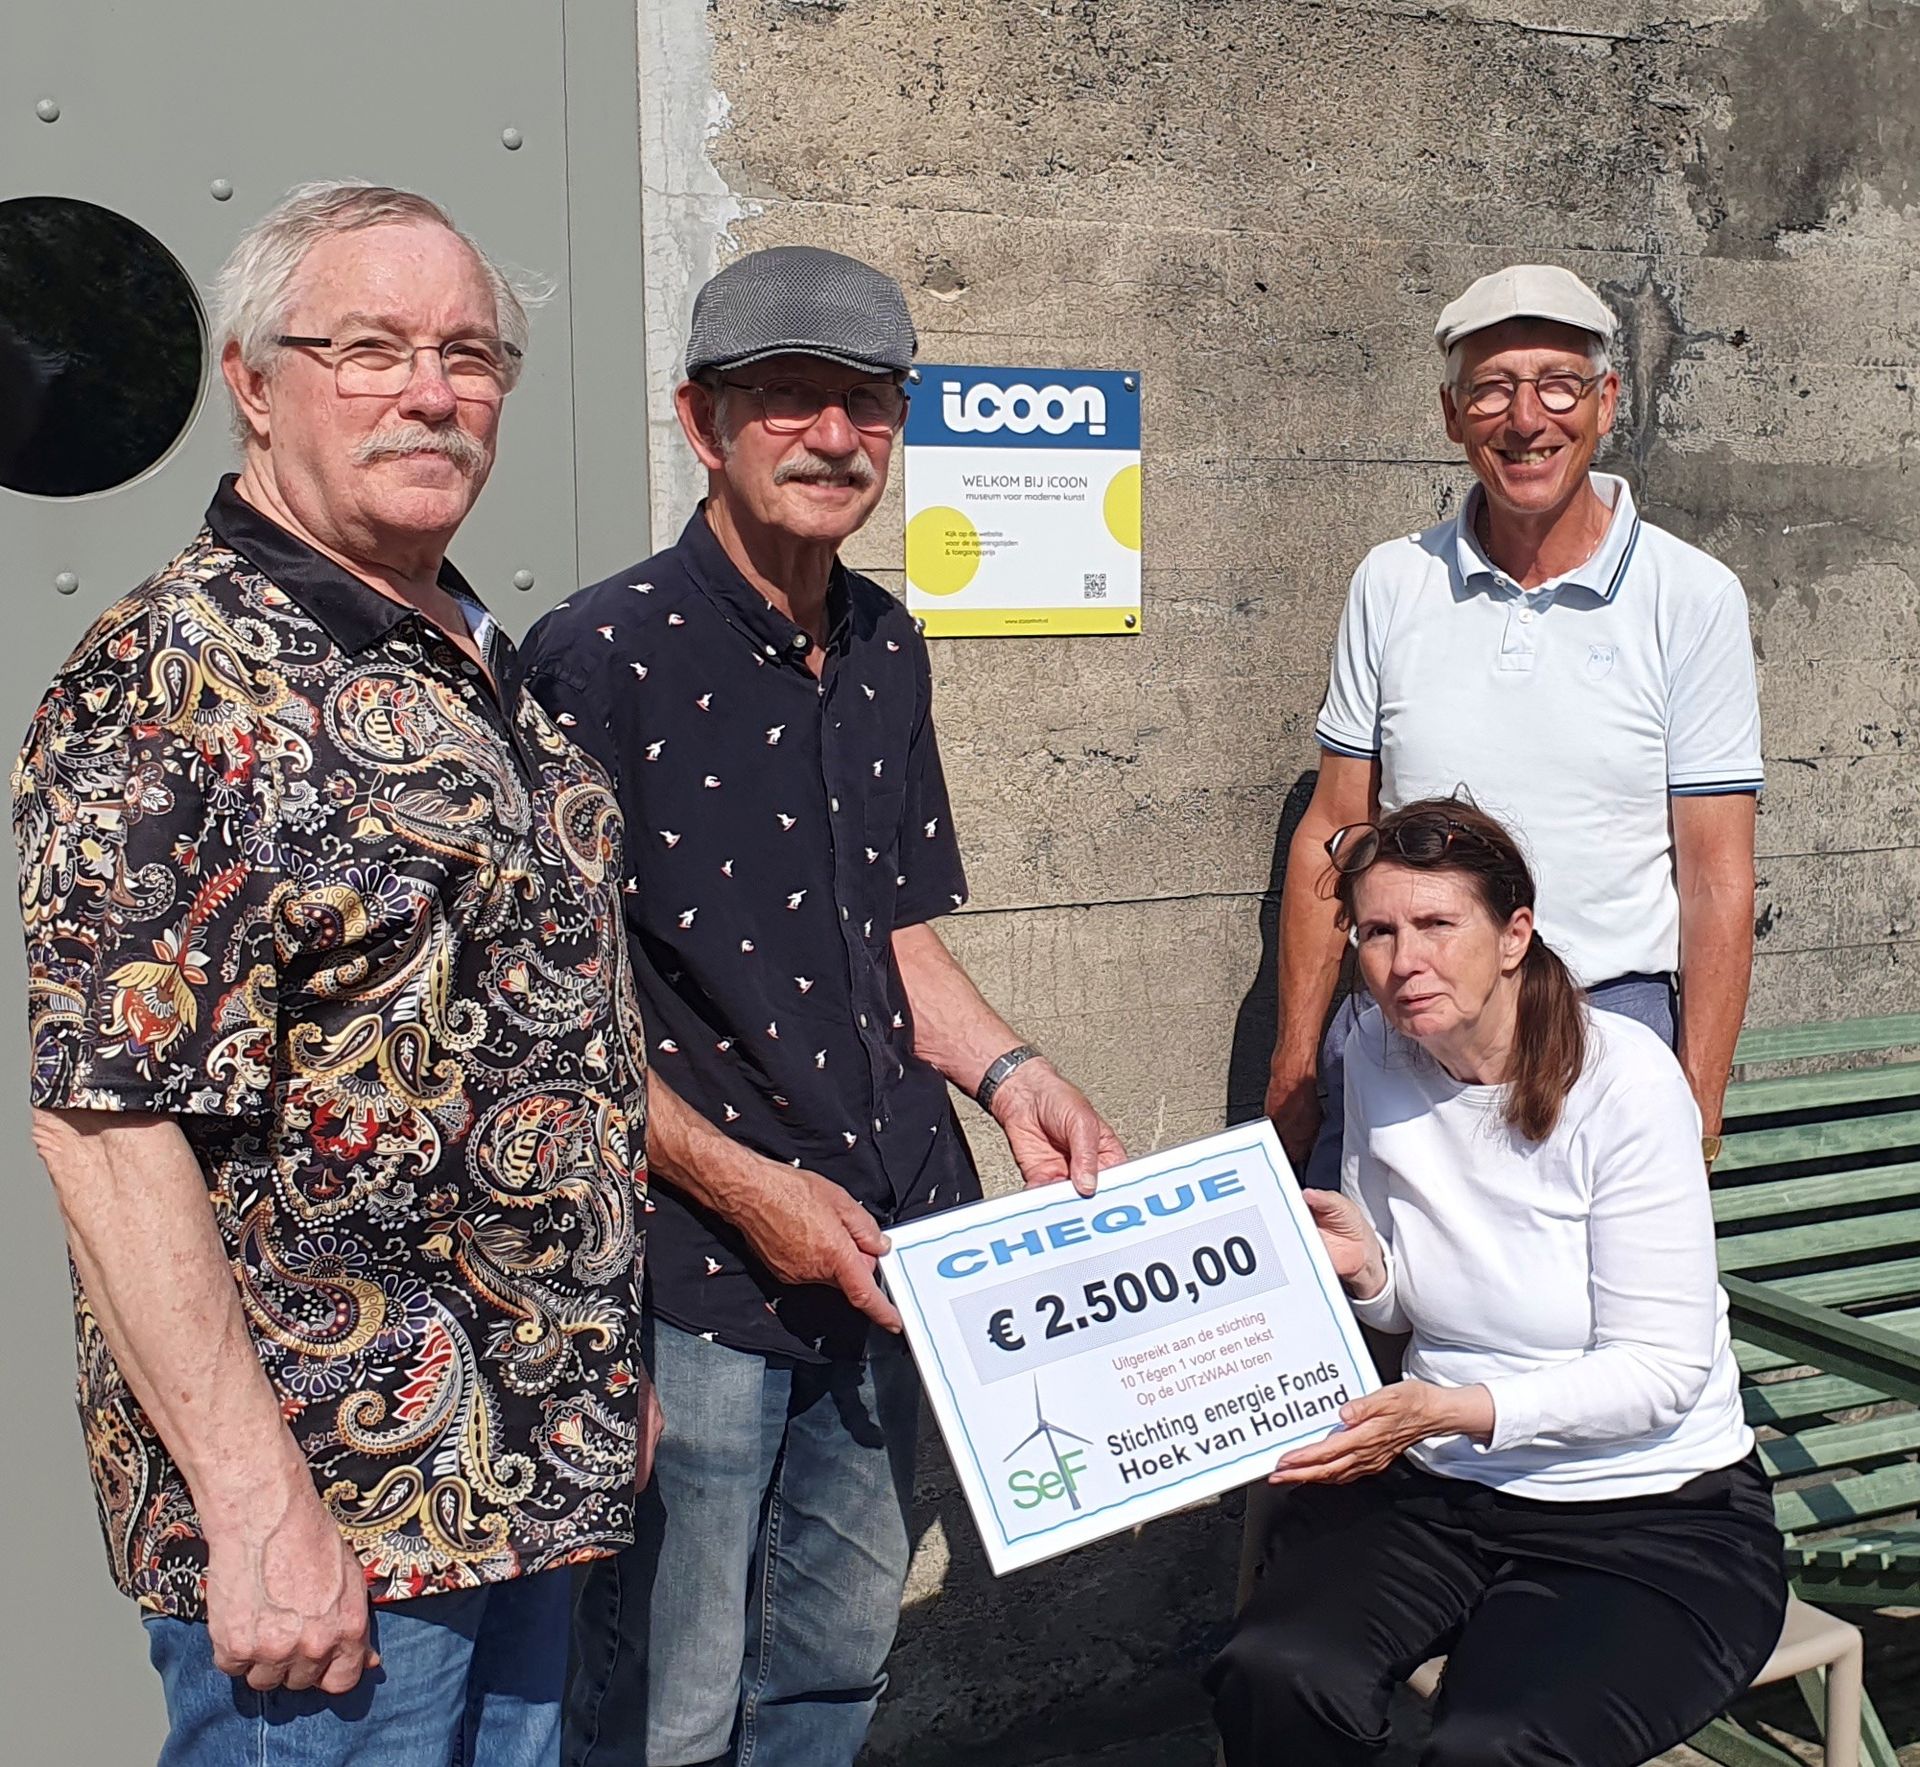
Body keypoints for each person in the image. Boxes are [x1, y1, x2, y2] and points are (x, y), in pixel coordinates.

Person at [14, 180, 656, 1765]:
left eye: (469, 353)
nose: (432, 391)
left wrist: (597, 1362)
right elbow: (104, 1118)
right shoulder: (180, 675)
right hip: (335, 1524)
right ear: (252, 377)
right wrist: (254, 1504)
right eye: (368, 347)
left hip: (528, 1474)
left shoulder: (466, 650)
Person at [521, 245, 1125, 1767]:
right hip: (698, 1273)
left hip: (898, 1248)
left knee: (834, 1674)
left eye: (864, 401)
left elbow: (893, 931)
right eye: (786, 398)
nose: (833, 436)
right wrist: (745, 1187)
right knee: (661, 1707)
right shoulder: (600, 655)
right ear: (699, 420)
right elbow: (551, 1016)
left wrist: (1013, 1071)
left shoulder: (884, 643)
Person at [1212, 799, 1785, 1764]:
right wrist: (1367, 1267)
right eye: (1378, 931)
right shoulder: (1380, 1055)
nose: (1405, 961)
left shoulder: (1627, 1082)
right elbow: (1411, 1299)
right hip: (1447, 1489)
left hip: (1651, 1512)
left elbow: (1660, 1371)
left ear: (1515, 933)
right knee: (1277, 1668)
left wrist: (1449, 1408)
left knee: (1492, 1744)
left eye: (1438, 925)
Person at [1266, 264, 1764, 1188]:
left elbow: (1714, 872)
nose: (1526, 418)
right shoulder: (1391, 581)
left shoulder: (1690, 596)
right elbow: (1332, 834)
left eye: (1558, 384)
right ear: (1454, 416)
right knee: (1377, 1307)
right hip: (1407, 1035)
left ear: (1606, 401)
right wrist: (1296, 1068)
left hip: (1605, 1037)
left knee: (1595, 1326)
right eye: (1492, 388)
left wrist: (1696, 1108)